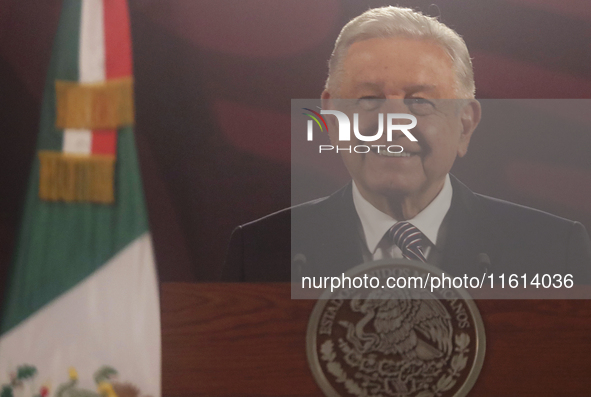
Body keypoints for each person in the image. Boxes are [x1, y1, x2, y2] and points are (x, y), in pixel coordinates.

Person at [223, 6, 591, 283]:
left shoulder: (553, 250)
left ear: (465, 124)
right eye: (368, 98)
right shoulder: (258, 253)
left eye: (420, 101)